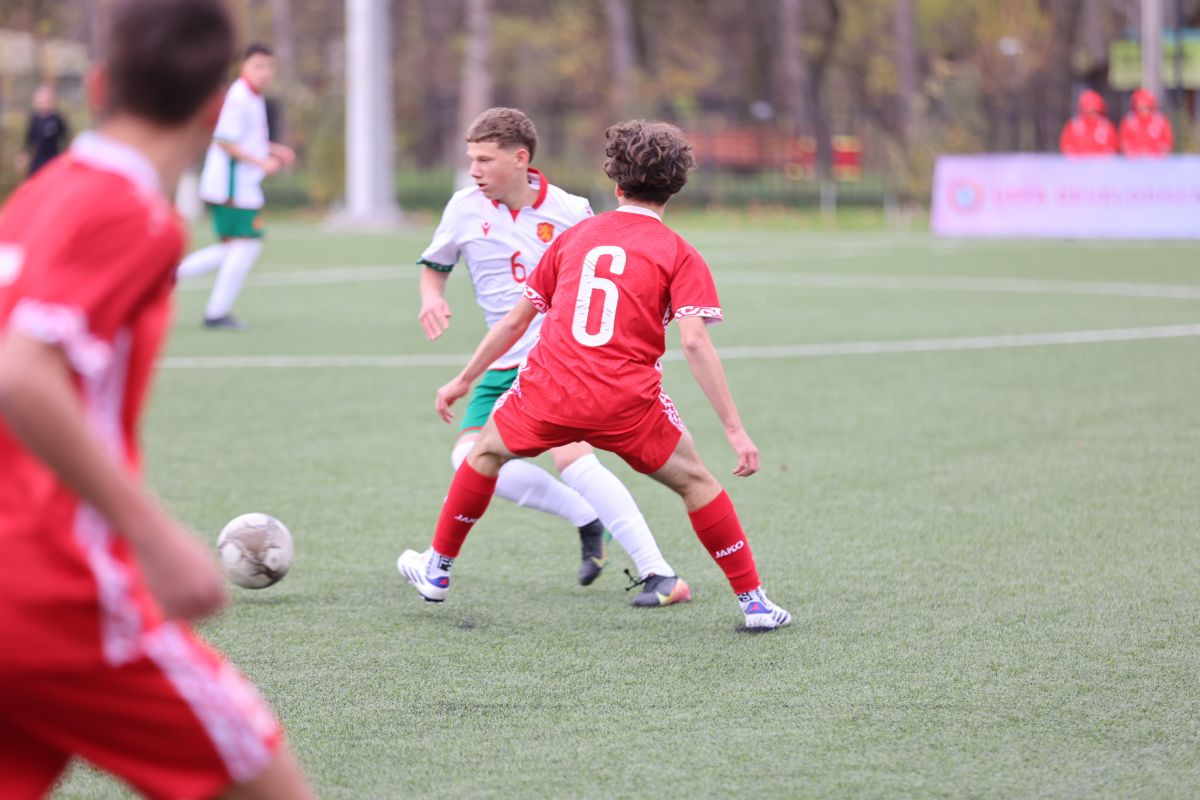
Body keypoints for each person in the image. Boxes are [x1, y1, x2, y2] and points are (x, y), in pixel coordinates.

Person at [0, 2, 312, 797]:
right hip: (56, 592)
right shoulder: (136, 216)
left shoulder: (38, 195)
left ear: (98, 85)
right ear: (213, 109)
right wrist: (153, 535)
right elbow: (23, 372)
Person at [398, 120, 791, 631]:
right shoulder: (680, 253)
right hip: (628, 403)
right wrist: (735, 430)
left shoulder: (574, 236)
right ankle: (754, 603)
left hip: (550, 391)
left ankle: (437, 570)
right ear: (675, 188)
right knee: (696, 483)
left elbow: (516, 322)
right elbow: (695, 342)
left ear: (616, 182)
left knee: (483, 454)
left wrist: (464, 379)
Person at [405, 107, 688, 605]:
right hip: (501, 356)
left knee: (571, 456)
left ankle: (657, 570)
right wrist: (432, 297)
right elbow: (436, 266)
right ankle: (587, 518)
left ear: (520, 158)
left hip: (558, 356)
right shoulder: (464, 208)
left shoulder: (570, 210)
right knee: (468, 457)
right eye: (470, 159)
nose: (474, 170)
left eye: (484, 160)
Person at [176, 43, 295, 330]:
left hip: (242, 185)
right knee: (246, 246)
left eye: (269, 66)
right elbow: (224, 141)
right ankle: (214, 311)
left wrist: (273, 149)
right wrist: (262, 163)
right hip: (232, 187)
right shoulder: (239, 97)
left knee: (235, 248)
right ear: (244, 66)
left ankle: (170, 279)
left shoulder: (253, 96)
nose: (264, 72)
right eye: (258, 66)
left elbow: (246, 139)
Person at [18, 85, 70, 177]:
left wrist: (67, 157)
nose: (43, 103)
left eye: (46, 100)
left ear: (52, 101)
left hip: (53, 161)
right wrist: (24, 154)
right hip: (37, 161)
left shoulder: (57, 119)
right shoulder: (34, 119)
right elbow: (29, 139)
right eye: (41, 101)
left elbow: (65, 139)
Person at [1059, 89, 1116, 157]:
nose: (1092, 114)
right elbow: (1066, 146)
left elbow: (1112, 148)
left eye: (1095, 111)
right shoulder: (1074, 126)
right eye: (1089, 111)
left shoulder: (1106, 127)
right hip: (1078, 163)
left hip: (1100, 163)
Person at [1119, 88, 1174, 157]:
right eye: (1140, 106)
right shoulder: (1129, 121)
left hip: (1156, 161)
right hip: (1134, 161)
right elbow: (1124, 143)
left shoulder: (1160, 121)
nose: (1143, 109)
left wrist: (1155, 153)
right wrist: (1134, 153)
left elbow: (1167, 143)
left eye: (1146, 106)